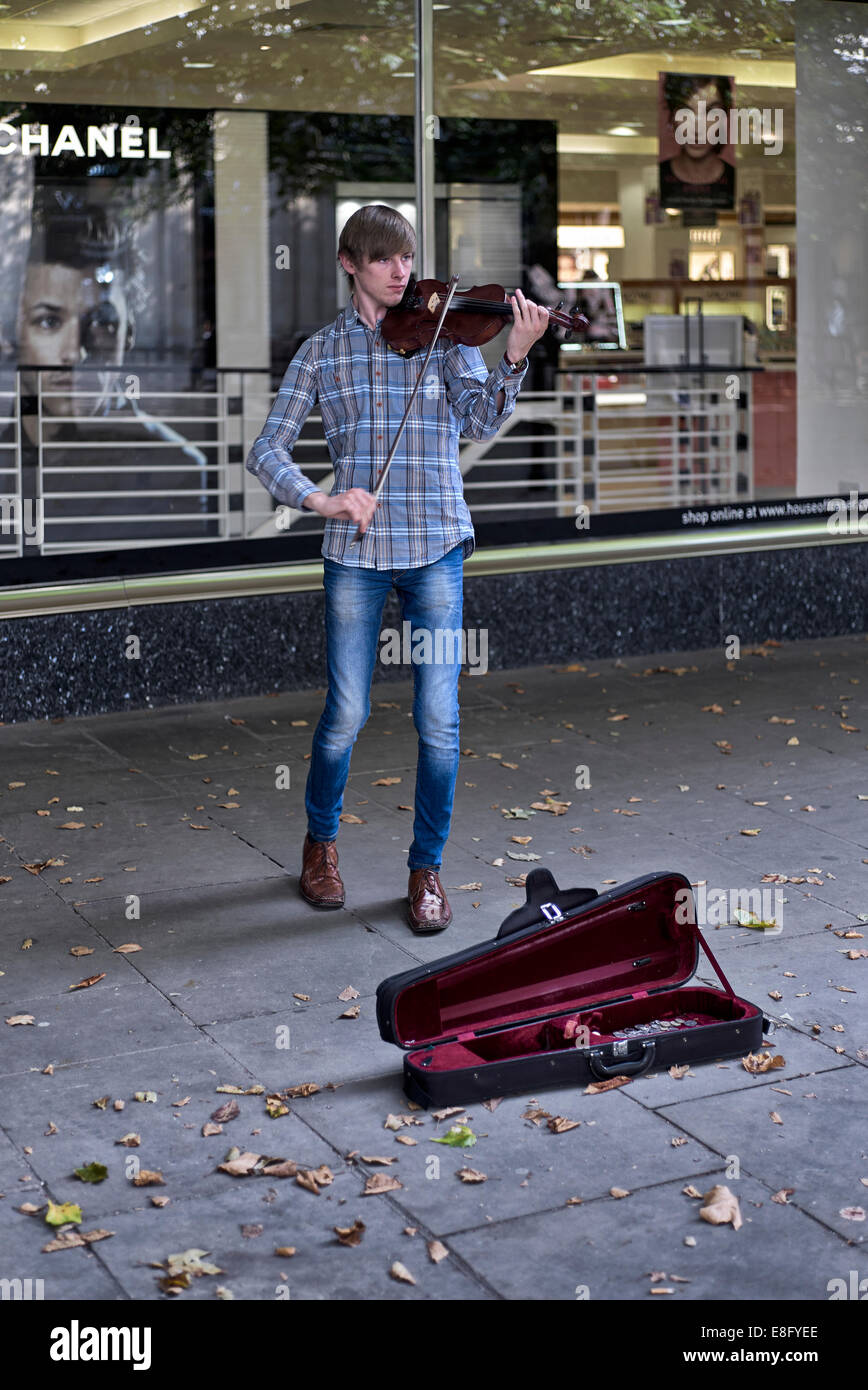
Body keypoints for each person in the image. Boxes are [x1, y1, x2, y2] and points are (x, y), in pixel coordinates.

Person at [247, 203, 548, 932]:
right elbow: (266, 449)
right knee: (345, 714)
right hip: (356, 555)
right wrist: (321, 499)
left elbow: (478, 420)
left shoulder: (447, 332)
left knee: (438, 720)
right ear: (350, 263)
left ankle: (427, 870)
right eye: (383, 258)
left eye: (406, 258)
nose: (400, 271)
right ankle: (321, 847)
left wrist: (514, 355)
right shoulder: (321, 351)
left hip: (438, 547)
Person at [659, 74, 735, 211]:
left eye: (711, 113)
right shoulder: (657, 178)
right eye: (685, 112)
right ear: (672, 117)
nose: (697, 129)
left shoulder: (736, 181)